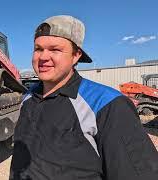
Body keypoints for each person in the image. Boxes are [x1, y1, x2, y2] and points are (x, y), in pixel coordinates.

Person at [10, 15, 158, 180]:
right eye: (38, 49)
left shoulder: (107, 105)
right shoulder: (28, 98)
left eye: (55, 49)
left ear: (76, 55)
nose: (43, 57)